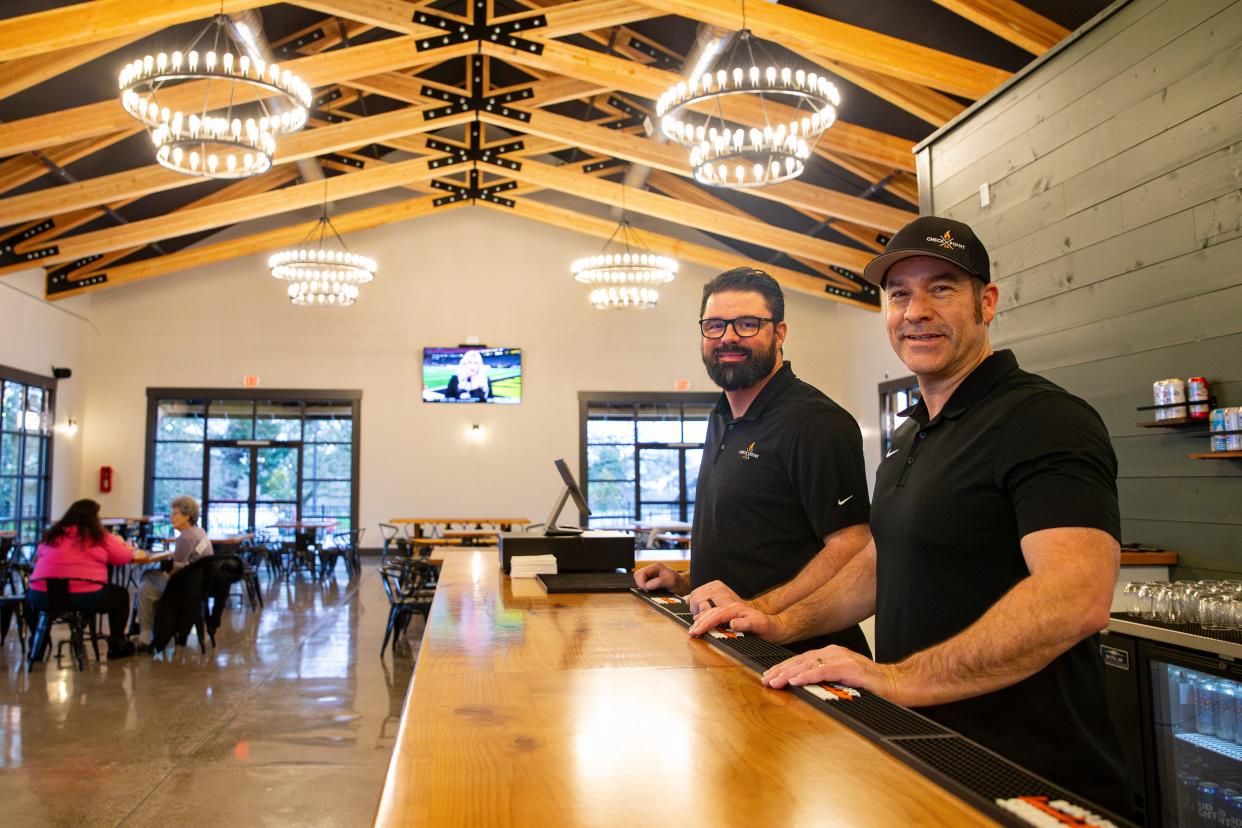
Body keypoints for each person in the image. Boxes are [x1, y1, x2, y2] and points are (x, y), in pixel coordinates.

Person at [690, 217, 1131, 814]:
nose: (916, 310)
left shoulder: (1043, 418)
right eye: (899, 294)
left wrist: (896, 679)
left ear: (988, 302)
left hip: (1030, 774)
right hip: (925, 755)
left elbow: (1076, 595)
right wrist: (776, 622)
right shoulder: (909, 434)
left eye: (942, 288)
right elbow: (876, 562)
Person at [634, 266, 873, 656]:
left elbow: (852, 546)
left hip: (800, 654)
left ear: (780, 332)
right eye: (714, 326)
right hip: (730, 641)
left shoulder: (816, 423)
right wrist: (687, 583)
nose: (727, 337)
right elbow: (757, 541)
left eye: (746, 324)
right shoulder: (721, 416)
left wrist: (760, 609)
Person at [28, 499, 140, 659]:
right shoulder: (98, 536)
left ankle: (38, 644)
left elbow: (40, 557)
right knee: (121, 596)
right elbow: (123, 557)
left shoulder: (52, 535)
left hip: (43, 595)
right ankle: (117, 645)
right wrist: (120, 544)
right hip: (84, 597)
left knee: (31, 601)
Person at [134, 495, 213, 648]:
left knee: (146, 578)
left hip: (185, 587)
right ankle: (147, 630)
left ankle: (144, 632)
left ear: (187, 516)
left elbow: (177, 571)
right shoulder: (199, 532)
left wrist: (165, 575)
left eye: (175, 514)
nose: (171, 517)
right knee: (147, 587)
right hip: (199, 585)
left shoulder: (186, 537)